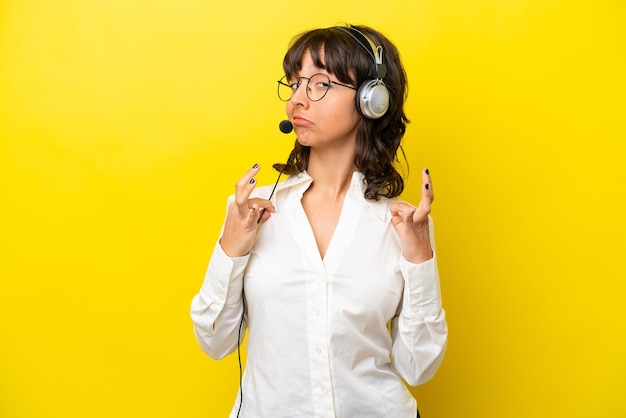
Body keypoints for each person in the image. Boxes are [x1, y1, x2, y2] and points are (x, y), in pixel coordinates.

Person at [190, 24, 447, 418]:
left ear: (371, 100)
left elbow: (419, 366)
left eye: (320, 84)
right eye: (294, 84)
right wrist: (231, 248)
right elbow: (214, 341)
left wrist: (420, 261)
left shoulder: (400, 225)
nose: (297, 100)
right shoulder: (254, 214)